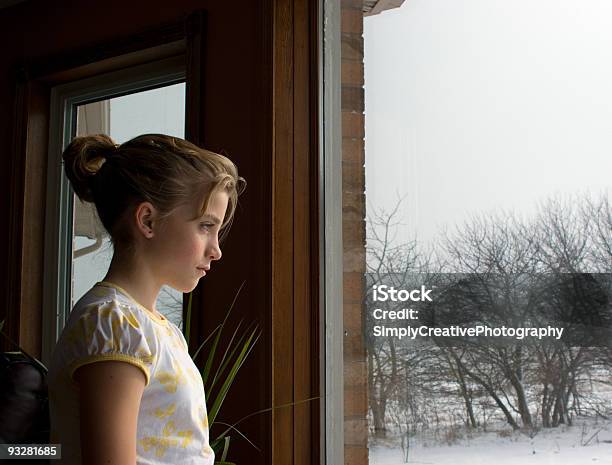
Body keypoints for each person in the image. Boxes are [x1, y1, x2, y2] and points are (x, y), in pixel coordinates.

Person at [47, 133, 246, 465]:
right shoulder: (114, 323)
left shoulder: (154, 328)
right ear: (148, 221)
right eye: (205, 226)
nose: (216, 250)